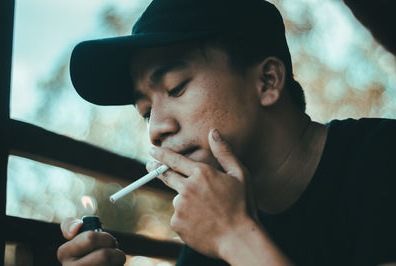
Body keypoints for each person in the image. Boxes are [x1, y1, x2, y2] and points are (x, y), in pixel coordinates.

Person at [57, 0, 396, 265]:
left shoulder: (383, 161)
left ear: (267, 81)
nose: (157, 129)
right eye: (146, 112)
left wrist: (237, 238)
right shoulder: (207, 241)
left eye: (176, 88)